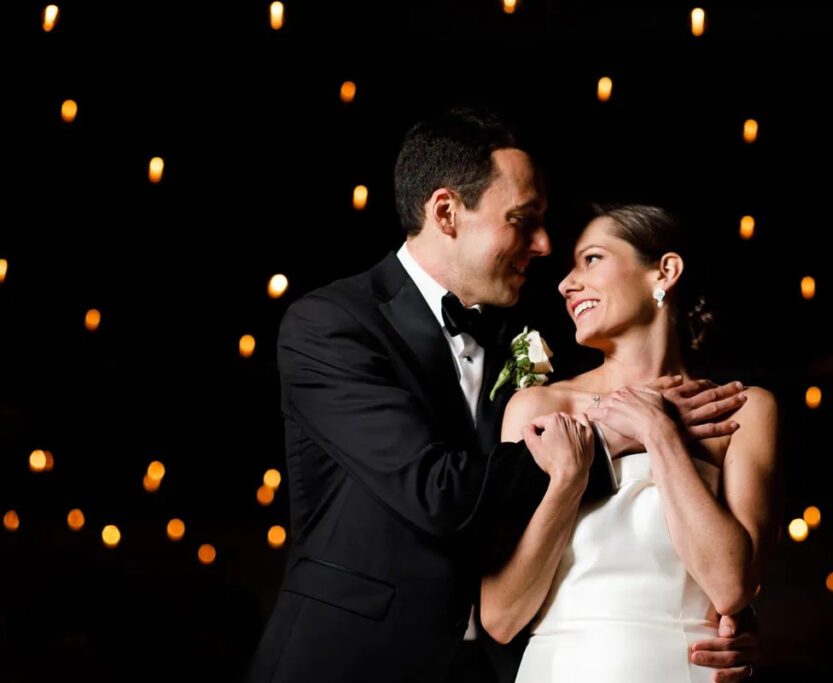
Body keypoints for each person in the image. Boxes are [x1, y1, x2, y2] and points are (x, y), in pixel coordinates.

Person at [247, 108, 753, 683]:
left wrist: (724, 621)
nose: (543, 245)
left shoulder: (527, 335)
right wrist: (611, 433)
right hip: (353, 661)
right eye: (522, 220)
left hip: (495, 667)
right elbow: (437, 491)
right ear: (446, 213)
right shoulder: (333, 325)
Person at [480, 204, 780, 682]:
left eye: (592, 259)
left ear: (665, 271)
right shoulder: (539, 408)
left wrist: (659, 433)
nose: (566, 284)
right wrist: (571, 478)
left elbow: (731, 588)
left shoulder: (742, 410)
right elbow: (500, 617)